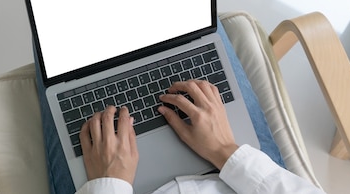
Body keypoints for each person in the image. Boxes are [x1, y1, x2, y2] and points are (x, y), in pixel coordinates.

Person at [75, 79, 326, 194]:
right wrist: (225, 149)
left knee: (72, 83)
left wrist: (110, 183)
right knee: (197, 40)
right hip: (241, 173)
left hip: (112, 183)